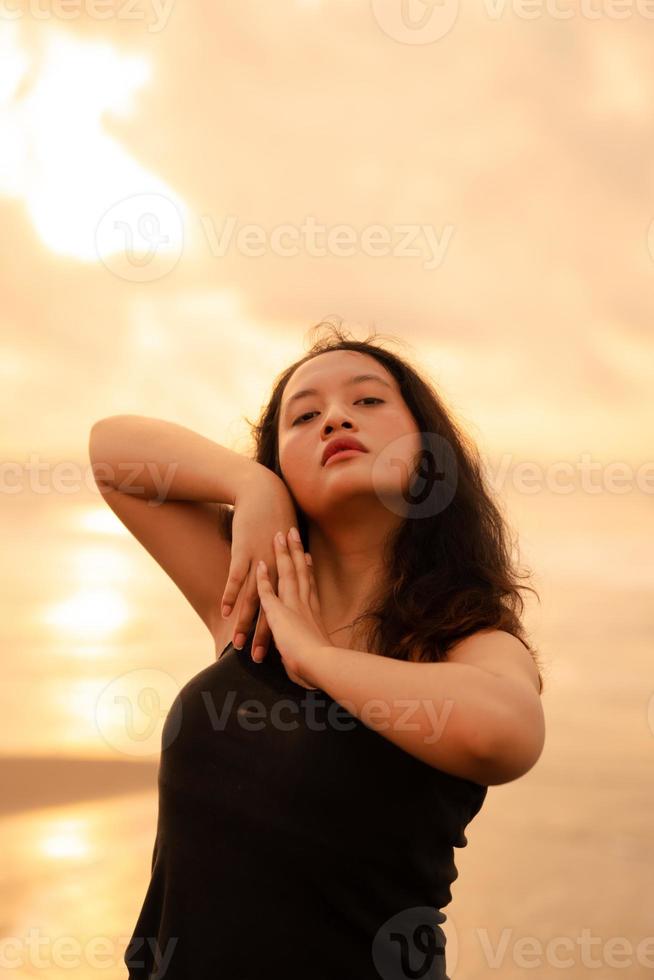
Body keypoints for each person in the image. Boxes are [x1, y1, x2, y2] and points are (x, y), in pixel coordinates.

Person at [89, 320, 546, 979]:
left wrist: (317, 659)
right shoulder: (253, 598)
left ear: (428, 451)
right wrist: (253, 487)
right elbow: (112, 453)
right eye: (304, 416)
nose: (335, 418)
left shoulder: (462, 640)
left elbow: (507, 733)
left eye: (367, 401)